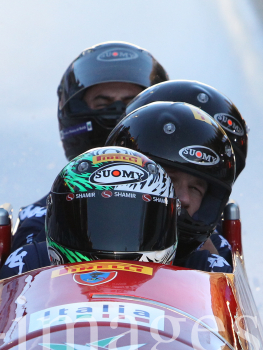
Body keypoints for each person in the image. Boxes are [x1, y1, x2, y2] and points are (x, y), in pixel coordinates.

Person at [11, 42, 169, 250]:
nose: (119, 112)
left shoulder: (186, 209)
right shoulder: (37, 219)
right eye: (103, 103)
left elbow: (216, 271)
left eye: (132, 102)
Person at [0, 147, 182, 280]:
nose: (114, 232)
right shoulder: (27, 262)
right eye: (100, 221)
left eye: (129, 221)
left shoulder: (196, 267)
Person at [105, 101, 236, 271]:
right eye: (170, 180)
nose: (184, 198)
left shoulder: (207, 266)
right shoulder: (73, 231)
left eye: (195, 189)